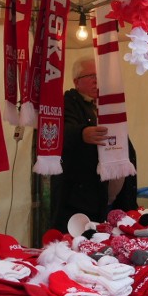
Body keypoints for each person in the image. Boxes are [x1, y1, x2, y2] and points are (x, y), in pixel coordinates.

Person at [50, 57, 136, 232]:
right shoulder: (68, 101)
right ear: (76, 82)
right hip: (81, 197)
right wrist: (81, 133)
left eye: (99, 76)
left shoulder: (106, 104)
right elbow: (57, 132)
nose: (97, 80)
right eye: (91, 76)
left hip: (109, 196)